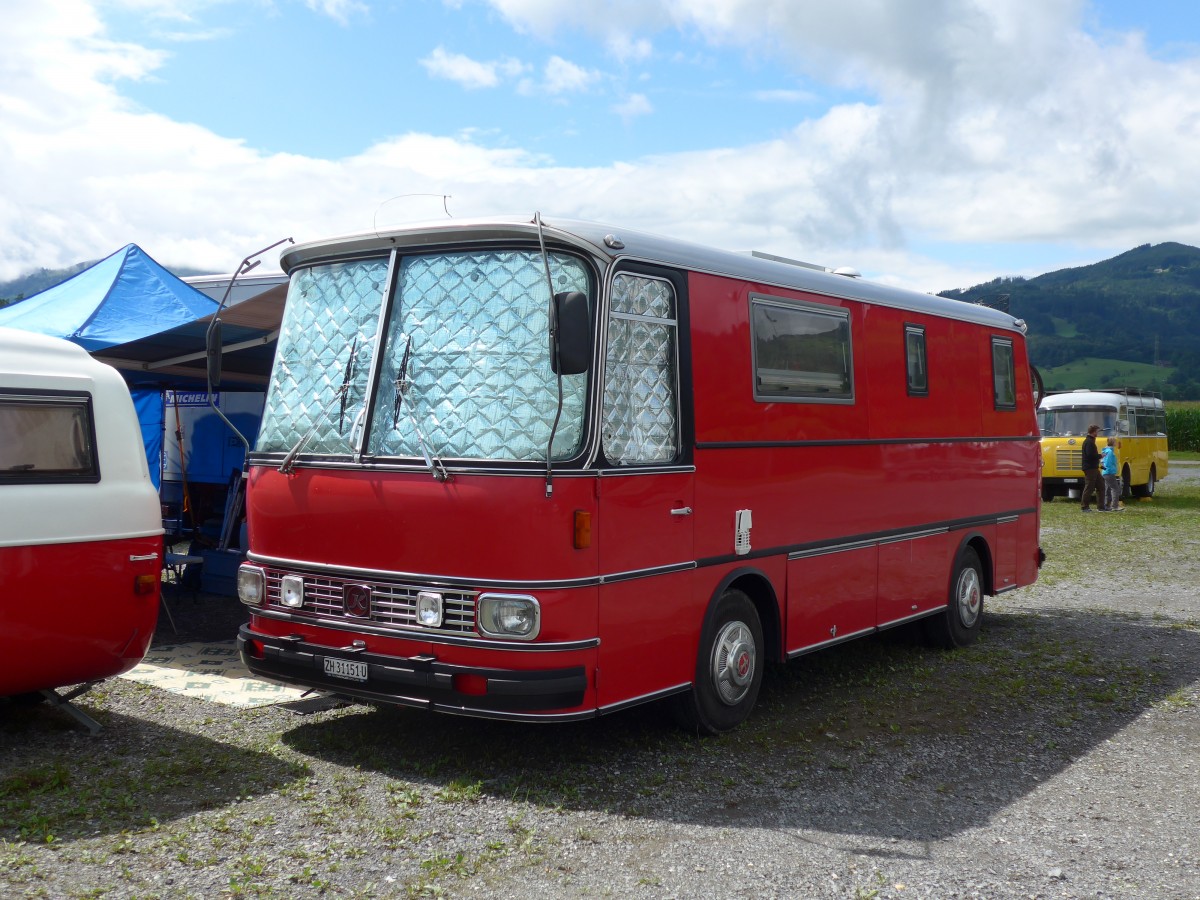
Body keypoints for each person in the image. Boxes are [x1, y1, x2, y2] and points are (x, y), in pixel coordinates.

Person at [1079, 424, 1102, 512]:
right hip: (1090, 468)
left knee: (1101, 486)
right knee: (1089, 487)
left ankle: (1101, 506)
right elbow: (1090, 455)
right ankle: (1084, 506)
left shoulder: (1091, 441)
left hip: (1094, 467)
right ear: (1093, 432)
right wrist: (1100, 455)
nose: (1098, 433)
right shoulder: (1089, 442)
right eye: (1097, 431)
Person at [1100, 437, 1124, 512]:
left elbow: (1102, 461)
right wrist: (1110, 469)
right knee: (1115, 489)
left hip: (1105, 472)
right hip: (1109, 472)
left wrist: (1104, 469)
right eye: (1115, 442)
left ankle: (1107, 505)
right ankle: (1115, 506)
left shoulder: (1105, 451)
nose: (1116, 443)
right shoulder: (1110, 452)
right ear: (1113, 443)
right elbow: (1108, 463)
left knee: (1107, 489)